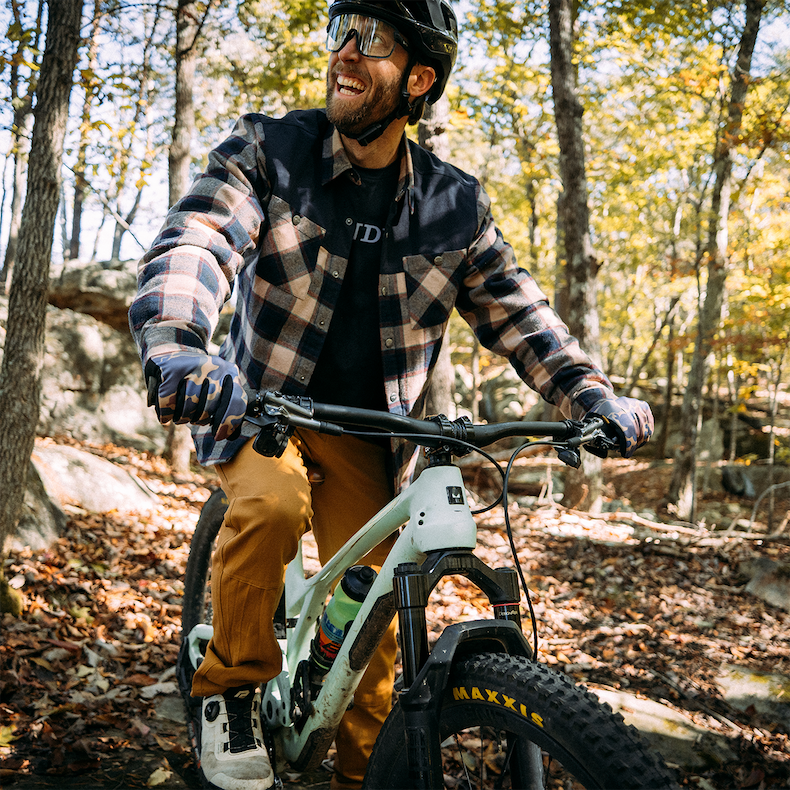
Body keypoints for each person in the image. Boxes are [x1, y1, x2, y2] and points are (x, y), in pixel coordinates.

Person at [129, 1, 654, 788]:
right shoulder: (271, 149)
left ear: (419, 80)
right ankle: (230, 690)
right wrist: (178, 346)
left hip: (368, 434)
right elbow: (198, 240)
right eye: (339, 30)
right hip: (262, 407)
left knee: (371, 636)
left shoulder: (454, 205)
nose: (344, 50)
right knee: (271, 507)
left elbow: (520, 313)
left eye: (369, 38)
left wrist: (591, 396)